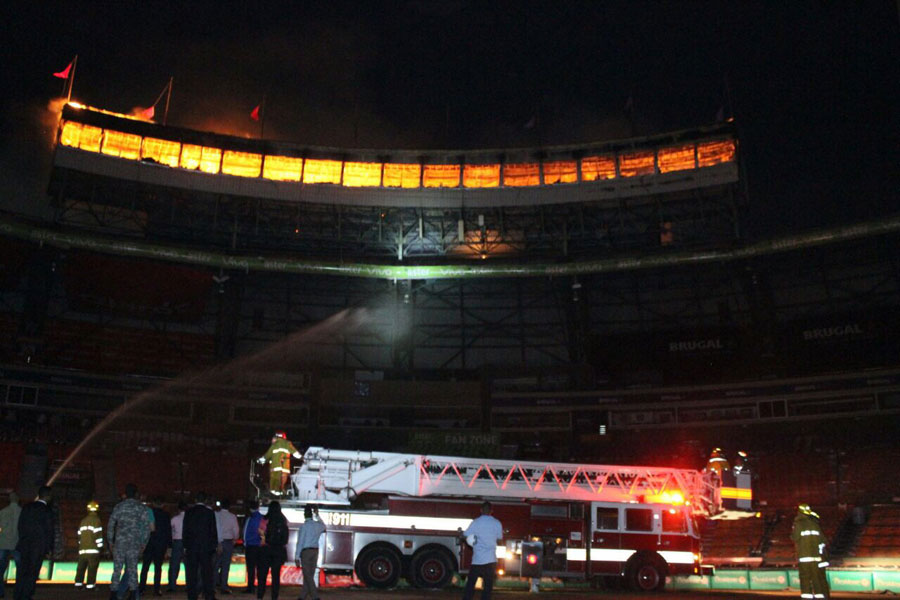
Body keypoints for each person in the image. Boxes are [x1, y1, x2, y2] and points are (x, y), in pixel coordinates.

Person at [108, 483, 153, 600]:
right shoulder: (141, 508)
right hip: (134, 543)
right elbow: (147, 527)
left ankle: (114, 593)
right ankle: (133, 594)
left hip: (119, 542)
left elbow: (111, 524)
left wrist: (110, 542)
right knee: (132, 569)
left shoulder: (119, 507)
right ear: (136, 494)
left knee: (117, 569)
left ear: (125, 494)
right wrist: (144, 543)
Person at [14, 485, 53, 600]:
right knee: (32, 573)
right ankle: (26, 595)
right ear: (48, 496)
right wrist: (48, 548)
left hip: (24, 545)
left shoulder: (27, 507)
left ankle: (18, 595)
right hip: (38, 548)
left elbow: (20, 526)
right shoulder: (47, 511)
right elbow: (49, 531)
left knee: (21, 572)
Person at [461, 501, 503, 600]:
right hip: (491, 559)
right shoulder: (497, 523)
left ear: (481, 510)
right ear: (491, 511)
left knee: (470, 586)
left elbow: (465, 536)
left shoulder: (476, 522)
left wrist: (460, 534)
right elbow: (500, 540)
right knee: (487, 587)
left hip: (477, 559)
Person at [791, 504, 830, 600]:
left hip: (804, 558)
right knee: (816, 578)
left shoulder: (799, 524)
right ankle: (820, 596)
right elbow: (823, 540)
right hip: (816, 558)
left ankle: (806, 596)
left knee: (805, 579)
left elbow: (794, 537)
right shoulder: (815, 524)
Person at [183, 492, 217, 600]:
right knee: (207, 573)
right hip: (206, 547)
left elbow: (185, 530)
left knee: (191, 573)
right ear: (206, 500)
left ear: (195, 500)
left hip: (192, 547)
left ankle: (192, 595)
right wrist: (213, 546)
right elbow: (213, 531)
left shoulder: (188, 513)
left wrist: (185, 545)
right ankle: (208, 595)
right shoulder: (209, 513)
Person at [256, 502, 288, 600]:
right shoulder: (283, 520)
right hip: (277, 551)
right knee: (275, 576)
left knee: (262, 576)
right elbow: (285, 539)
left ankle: (260, 596)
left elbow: (260, 534)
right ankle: (274, 597)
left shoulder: (265, 520)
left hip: (265, 550)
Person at [139, 498, 171, 596]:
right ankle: (157, 589)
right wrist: (169, 546)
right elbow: (168, 531)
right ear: (163, 504)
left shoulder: (148, 513)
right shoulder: (166, 515)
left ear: (153, 503)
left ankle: (142, 588)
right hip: (160, 544)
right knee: (158, 568)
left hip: (149, 543)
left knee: (145, 567)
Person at [293, 506, 325, 600]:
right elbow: (324, 526)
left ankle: (315, 597)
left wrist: (297, 556)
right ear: (311, 515)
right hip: (315, 551)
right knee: (309, 575)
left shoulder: (304, 527)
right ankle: (302, 597)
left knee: (307, 576)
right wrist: (318, 515)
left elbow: (300, 542)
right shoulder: (317, 525)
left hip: (306, 552)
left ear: (304, 515)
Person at [74, 500, 103, 590]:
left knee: (81, 568)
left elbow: (79, 535)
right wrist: (100, 547)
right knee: (92, 569)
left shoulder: (83, 521)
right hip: (93, 550)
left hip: (82, 550)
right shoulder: (97, 521)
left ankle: (78, 584)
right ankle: (90, 586)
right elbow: (98, 537)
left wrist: (81, 545)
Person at [214, 500, 239, 594]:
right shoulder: (232, 517)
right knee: (225, 565)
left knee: (215, 565)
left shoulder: (216, 515)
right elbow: (236, 530)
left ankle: (214, 585)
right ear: (229, 507)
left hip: (217, 542)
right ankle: (223, 585)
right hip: (228, 542)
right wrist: (235, 539)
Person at [0, 492, 21, 599]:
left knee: (0, 568)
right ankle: (18, 593)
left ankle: (0, 591)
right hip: (17, 544)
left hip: (3, 543)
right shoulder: (22, 512)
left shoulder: (3, 512)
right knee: (20, 569)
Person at [240, 500, 263, 595]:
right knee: (260, 568)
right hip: (260, 546)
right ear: (258, 507)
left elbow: (244, 533)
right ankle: (261, 586)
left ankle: (251, 587)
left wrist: (245, 543)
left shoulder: (249, 519)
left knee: (250, 568)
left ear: (250, 508)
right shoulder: (262, 518)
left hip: (250, 546)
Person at [167, 502, 188, 592]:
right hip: (187, 542)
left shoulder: (175, 519)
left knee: (174, 564)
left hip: (177, 541)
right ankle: (189, 585)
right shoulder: (189, 519)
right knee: (188, 565)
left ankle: (172, 585)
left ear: (178, 509)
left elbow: (169, 530)